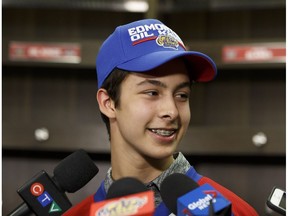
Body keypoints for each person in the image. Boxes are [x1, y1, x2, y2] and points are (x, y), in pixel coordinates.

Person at [64, 19, 258, 215]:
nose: (172, 111)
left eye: (182, 96)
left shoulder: (233, 211)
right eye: (152, 93)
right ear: (108, 103)